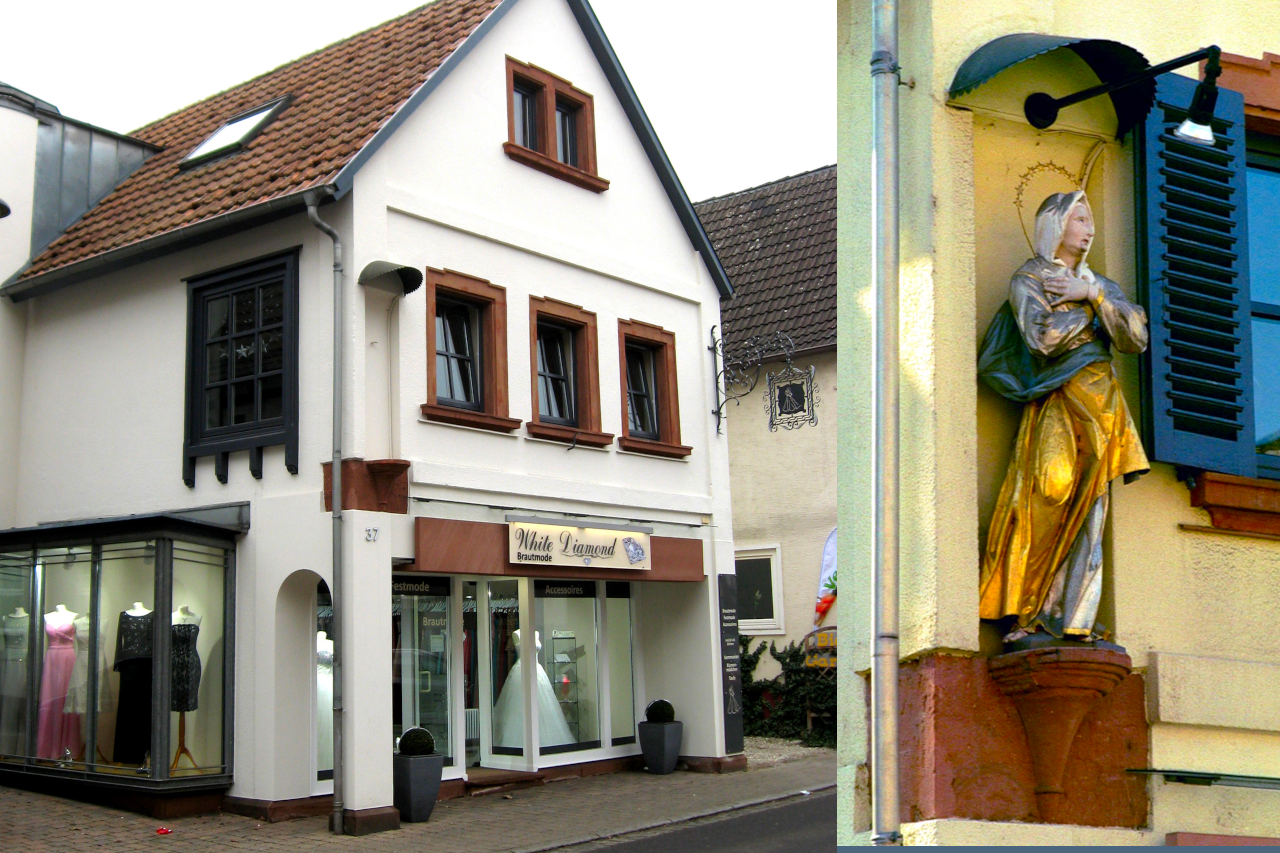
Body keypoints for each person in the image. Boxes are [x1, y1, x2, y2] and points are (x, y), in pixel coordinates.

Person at [979, 190, 1149, 643]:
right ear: (1055, 226)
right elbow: (1042, 339)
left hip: (1102, 406)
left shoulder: (1098, 283)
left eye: (1090, 220)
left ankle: (1075, 616)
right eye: (1079, 219)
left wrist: (1091, 294)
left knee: (1091, 509)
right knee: (1048, 496)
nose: (1089, 230)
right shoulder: (1030, 277)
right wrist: (1093, 317)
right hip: (1056, 400)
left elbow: (1135, 337)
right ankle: (1027, 611)